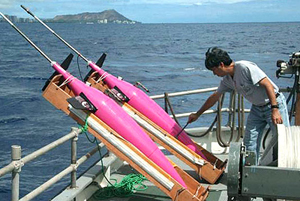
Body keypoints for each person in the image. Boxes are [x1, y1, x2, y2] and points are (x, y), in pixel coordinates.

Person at [188, 47, 289, 161]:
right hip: (257, 108)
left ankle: (283, 168)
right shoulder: (227, 80)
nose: (214, 74)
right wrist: (197, 114)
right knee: (249, 142)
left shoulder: (244, 67)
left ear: (221, 64)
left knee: (281, 140)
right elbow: (215, 97)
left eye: (214, 70)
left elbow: (267, 85)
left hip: (273, 104)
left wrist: (275, 109)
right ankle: (251, 171)